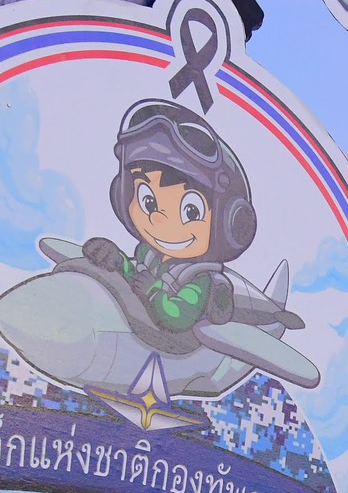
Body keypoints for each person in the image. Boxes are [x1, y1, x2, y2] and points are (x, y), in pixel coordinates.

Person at [84, 99, 259, 332]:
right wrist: (116, 260)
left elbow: (179, 317)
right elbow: (136, 277)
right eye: (148, 201)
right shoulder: (149, 254)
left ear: (230, 224)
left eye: (191, 211)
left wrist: (153, 292)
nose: (158, 219)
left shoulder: (200, 280)